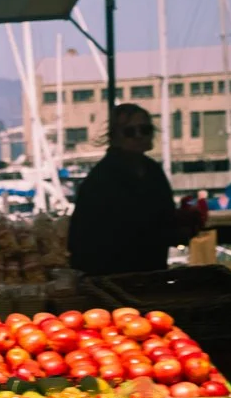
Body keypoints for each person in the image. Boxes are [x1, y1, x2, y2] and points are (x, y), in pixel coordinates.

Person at [71, 103, 201, 276]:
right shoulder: (101, 180)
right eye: (130, 132)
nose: (139, 136)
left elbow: (160, 221)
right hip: (114, 276)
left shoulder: (152, 171)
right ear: (115, 137)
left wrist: (183, 223)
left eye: (145, 130)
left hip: (148, 273)